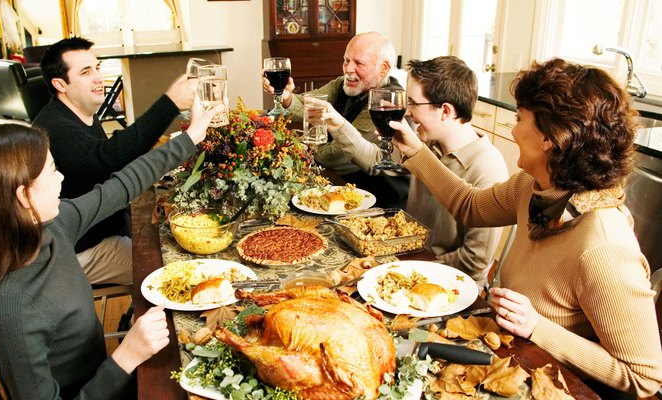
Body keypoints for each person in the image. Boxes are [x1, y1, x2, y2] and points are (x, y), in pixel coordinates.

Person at [392, 58, 662, 397]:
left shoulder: (603, 246)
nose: (512, 129)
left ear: (550, 137)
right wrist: (416, 151)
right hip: (513, 355)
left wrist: (538, 327)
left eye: (520, 118)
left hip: (554, 382)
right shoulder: (534, 185)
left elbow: (645, 377)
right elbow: (470, 206)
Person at [0, 99, 221, 399]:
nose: (62, 178)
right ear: (24, 196)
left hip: (106, 374)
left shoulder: (51, 229)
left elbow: (118, 188)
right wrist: (127, 356)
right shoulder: (13, 310)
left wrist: (191, 137)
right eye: (53, 171)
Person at [312, 56, 508, 290]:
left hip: (446, 286)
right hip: (407, 262)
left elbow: (474, 262)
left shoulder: (487, 169)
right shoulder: (428, 146)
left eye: (414, 103)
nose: (407, 113)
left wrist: (406, 265)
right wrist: (338, 125)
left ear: (445, 110)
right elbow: (377, 162)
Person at [33, 37, 198, 285]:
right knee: (172, 272)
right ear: (60, 84)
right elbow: (109, 158)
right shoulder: (55, 129)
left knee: (167, 234)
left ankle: (135, 313)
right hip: (81, 249)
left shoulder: (81, 112)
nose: (99, 78)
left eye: (97, 68)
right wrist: (170, 104)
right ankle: (142, 316)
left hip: (106, 228)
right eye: (86, 72)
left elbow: (113, 155)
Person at [263, 31, 410, 209]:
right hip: (339, 190)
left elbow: (338, 156)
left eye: (359, 63)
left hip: (379, 205)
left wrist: (305, 145)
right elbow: (307, 104)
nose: (348, 69)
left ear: (384, 68)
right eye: (346, 60)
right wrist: (286, 96)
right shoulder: (343, 84)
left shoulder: (387, 103)